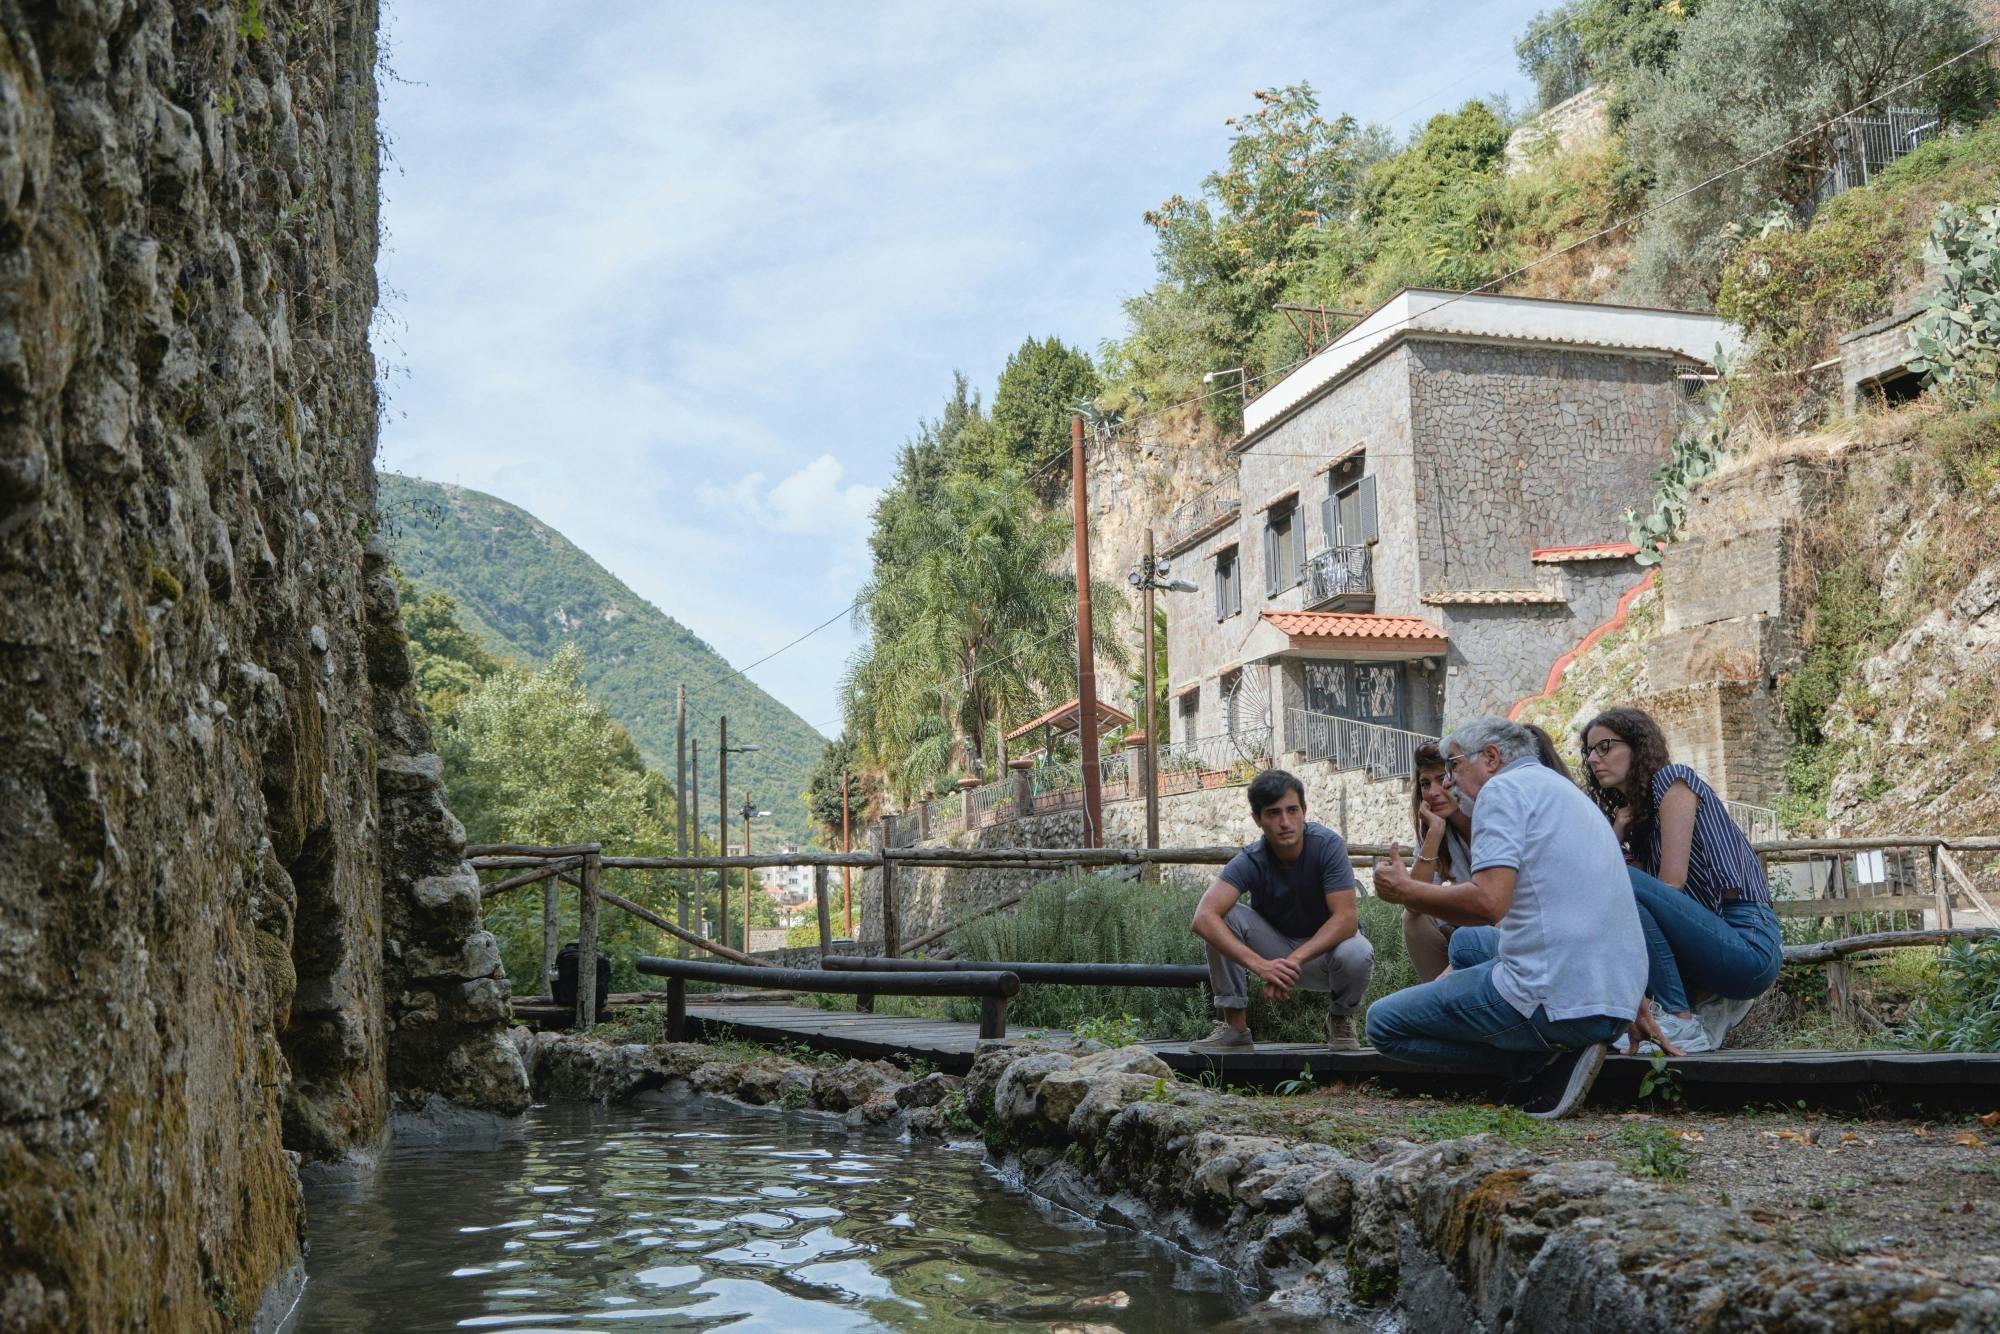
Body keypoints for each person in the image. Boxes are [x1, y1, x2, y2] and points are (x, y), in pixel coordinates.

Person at [1366, 717, 1646, 1119]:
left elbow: (1488, 903)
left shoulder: (1500, 792)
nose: (1447, 782)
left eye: (1454, 766)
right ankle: (1562, 1041)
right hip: (1613, 998)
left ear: (1492, 758)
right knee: (1465, 943)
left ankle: (1535, 1065)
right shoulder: (1565, 792)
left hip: (1558, 1001)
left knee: (1383, 1024)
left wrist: (1406, 890)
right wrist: (1624, 994)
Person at [1581, 706, 1782, 1055]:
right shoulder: (1641, 824)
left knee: (1618, 881)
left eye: (1605, 746)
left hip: (1747, 940)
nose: (1593, 759)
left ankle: (1678, 1016)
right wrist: (1618, 830)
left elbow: (1670, 884)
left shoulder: (1673, 781)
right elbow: (1635, 912)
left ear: (1638, 746)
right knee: (1619, 892)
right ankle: (1677, 1010)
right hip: (1707, 953)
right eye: (1588, 751)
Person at [1189, 769, 1375, 1053]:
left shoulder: (1328, 846)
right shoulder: (1252, 858)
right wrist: (1262, 966)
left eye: (1292, 810)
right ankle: (1234, 1027)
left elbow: (1346, 919)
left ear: (1304, 811)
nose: (1285, 822)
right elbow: (1202, 917)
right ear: (1258, 820)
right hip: (1272, 951)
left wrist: (1293, 960)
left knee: (1357, 951)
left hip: (1325, 956)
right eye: (1273, 813)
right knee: (1221, 918)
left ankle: (1340, 1018)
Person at [1401, 742, 1473, 982]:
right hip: (1470, 927)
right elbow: (1414, 903)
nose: (1432, 792)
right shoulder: (1434, 829)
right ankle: (1440, 997)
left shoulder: (1489, 818)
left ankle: (1440, 993)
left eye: (1441, 779)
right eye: (1425, 784)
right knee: (1413, 919)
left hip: (1509, 926)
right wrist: (1434, 833)